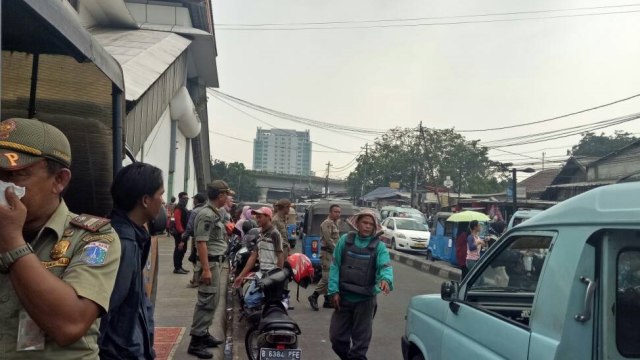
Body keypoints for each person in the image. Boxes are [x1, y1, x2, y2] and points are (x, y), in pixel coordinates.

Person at [0, 118, 121, 358]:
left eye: (15, 175)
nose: (3, 186)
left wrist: (12, 241)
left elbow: (70, 324)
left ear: (59, 180)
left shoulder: (92, 237)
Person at [99, 163, 165, 360]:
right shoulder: (123, 244)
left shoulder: (133, 236)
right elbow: (105, 311)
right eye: (160, 194)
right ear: (145, 200)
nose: (162, 201)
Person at [328, 209, 393, 360]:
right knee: (337, 339)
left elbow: (385, 266)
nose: (367, 226)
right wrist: (333, 291)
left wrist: (386, 280)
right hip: (343, 298)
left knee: (360, 345)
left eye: (371, 224)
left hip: (365, 301)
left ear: (375, 227)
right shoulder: (345, 240)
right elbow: (335, 265)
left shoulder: (379, 247)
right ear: (357, 223)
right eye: (365, 222)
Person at [187, 181, 234, 359]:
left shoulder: (216, 213)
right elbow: (201, 242)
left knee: (212, 302)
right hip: (210, 264)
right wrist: (206, 270)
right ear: (220, 196)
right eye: (226, 195)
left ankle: (203, 333)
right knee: (206, 301)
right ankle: (196, 341)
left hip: (216, 263)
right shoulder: (206, 214)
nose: (228, 198)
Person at [232, 207, 285, 309]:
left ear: (268, 217)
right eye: (256, 217)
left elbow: (280, 256)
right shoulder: (260, 234)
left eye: (260, 217)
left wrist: (277, 277)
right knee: (248, 300)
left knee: (251, 300)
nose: (257, 219)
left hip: (271, 275)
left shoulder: (275, 234)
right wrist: (241, 276)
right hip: (261, 274)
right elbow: (254, 256)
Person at [308, 204, 341, 310]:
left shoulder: (334, 224)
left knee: (331, 276)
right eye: (335, 212)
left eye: (339, 212)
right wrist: (338, 251)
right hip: (327, 253)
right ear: (330, 212)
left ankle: (327, 300)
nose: (337, 214)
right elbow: (328, 240)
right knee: (327, 277)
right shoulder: (326, 223)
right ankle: (314, 296)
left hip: (331, 253)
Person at [183, 193, 207, 288]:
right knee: (203, 258)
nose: (193, 201)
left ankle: (196, 280)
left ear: (197, 201)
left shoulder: (195, 211)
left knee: (195, 259)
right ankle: (198, 278)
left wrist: (183, 239)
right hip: (207, 239)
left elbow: (189, 227)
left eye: (194, 200)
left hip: (197, 238)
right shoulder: (207, 210)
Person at [172, 191, 190, 274]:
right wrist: (182, 232)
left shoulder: (184, 208)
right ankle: (177, 268)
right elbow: (177, 221)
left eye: (187, 198)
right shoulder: (178, 208)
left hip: (184, 232)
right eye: (184, 198)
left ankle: (180, 266)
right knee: (179, 249)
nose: (186, 200)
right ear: (180, 199)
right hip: (179, 233)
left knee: (183, 249)